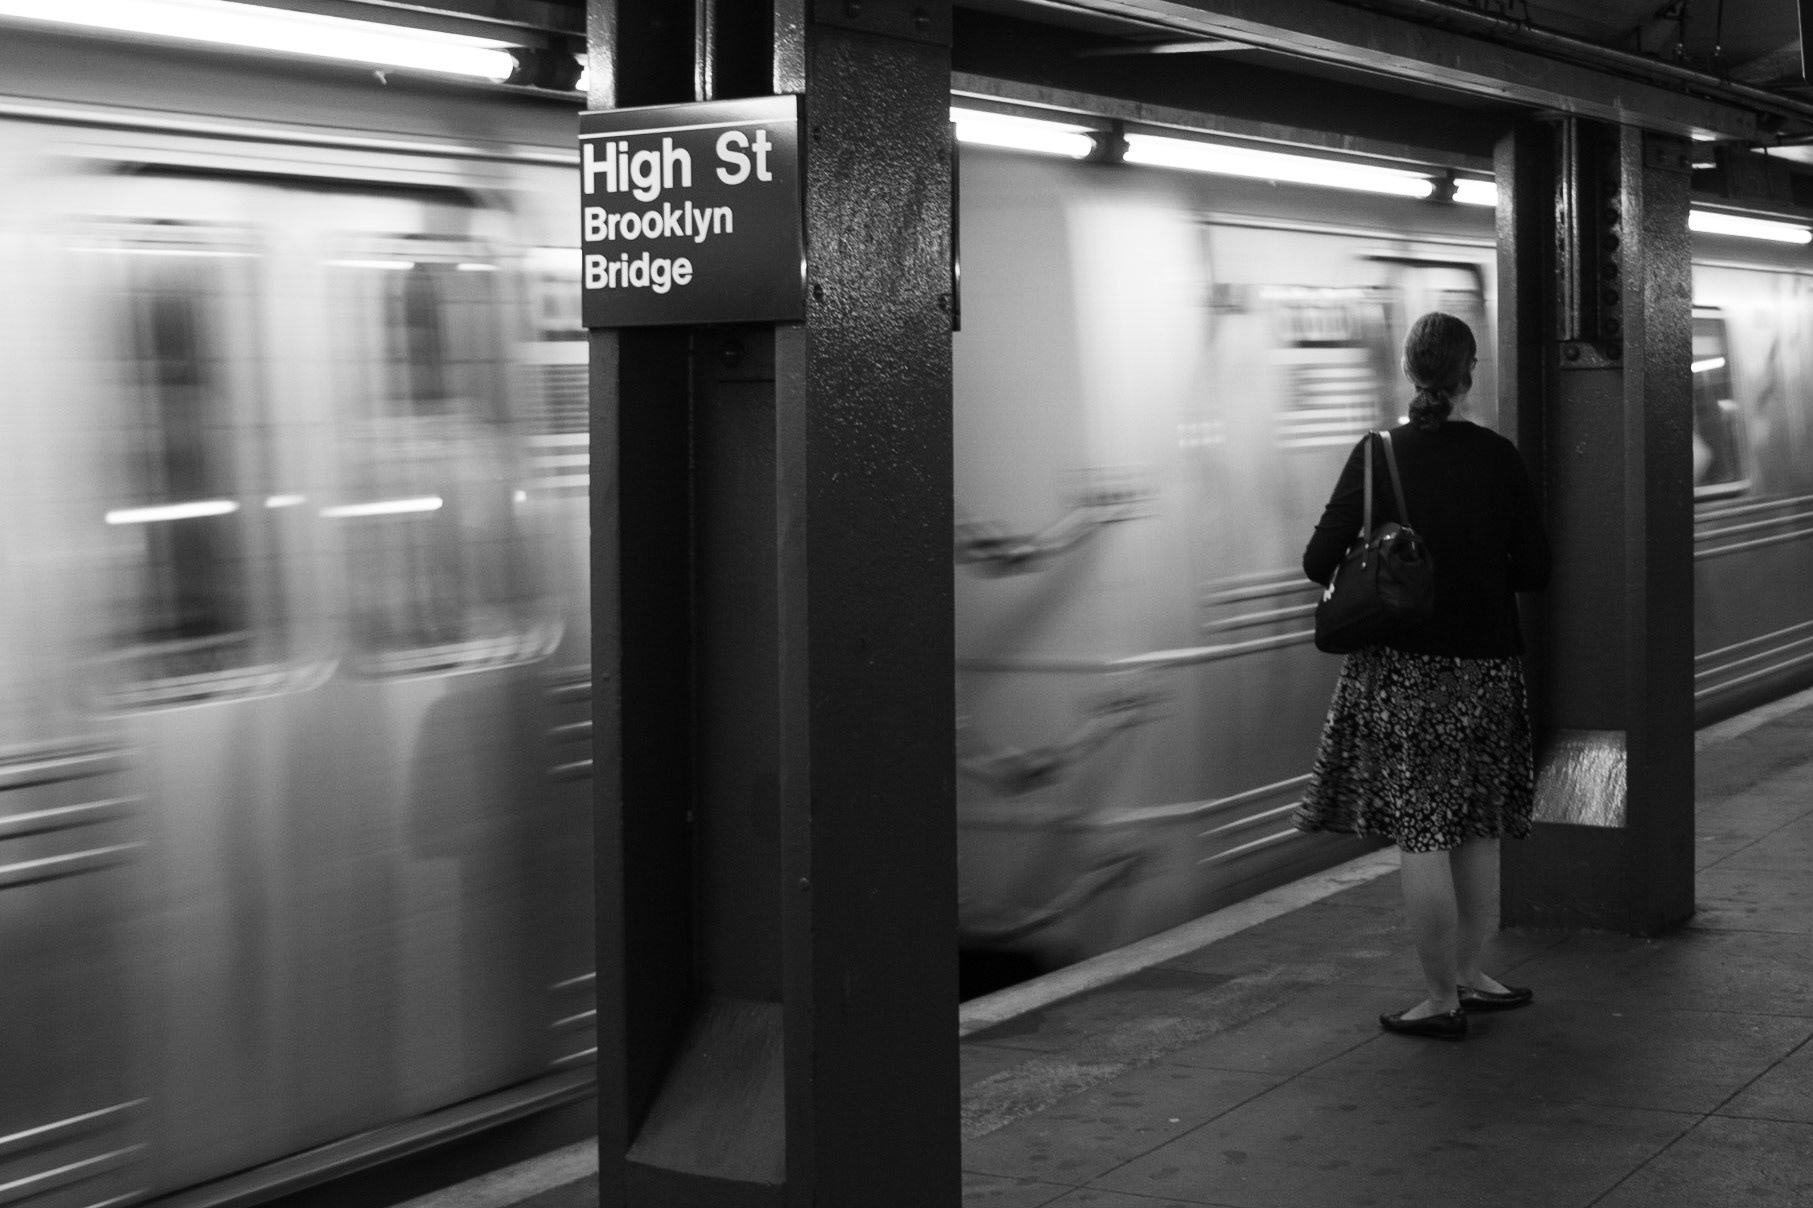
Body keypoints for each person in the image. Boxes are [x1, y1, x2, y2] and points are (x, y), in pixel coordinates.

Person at [1295, 312, 1551, 1040]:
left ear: (1411, 371)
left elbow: (1318, 563)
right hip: (1486, 672)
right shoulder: (1498, 458)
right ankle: (1471, 974)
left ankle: (1439, 998)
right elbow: (1535, 570)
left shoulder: (1377, 456)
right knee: (1475, 826)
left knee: (1422, 835)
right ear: (1468, 374)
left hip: (1402, 674)